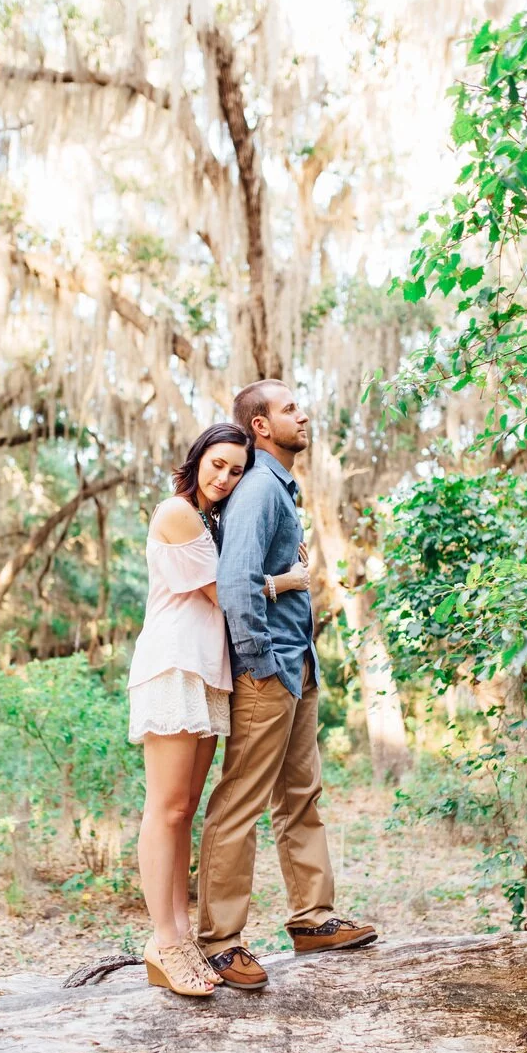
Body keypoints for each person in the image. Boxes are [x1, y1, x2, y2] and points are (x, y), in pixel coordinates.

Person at [197, 380, 377, 990]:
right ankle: (221, 943)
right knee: (240, 802)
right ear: (261, 427)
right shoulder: (256, 492)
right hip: (268, 670)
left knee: (301, 794)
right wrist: (258, 663)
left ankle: (314, 919)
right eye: (290, 408)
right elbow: (236, 582)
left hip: (297, 665)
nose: (304, 414)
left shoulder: (280, 489)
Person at [128, 423, 311, 997]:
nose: (225, 477)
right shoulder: (178, 512)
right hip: (174, 667)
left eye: (236, 470)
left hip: (209, 674)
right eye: (218, 464)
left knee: (185, 809)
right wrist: (289, 579)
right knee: (165, 808)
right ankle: (164, 939)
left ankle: (181, 936)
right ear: (198, 458)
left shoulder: (211, 519)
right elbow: (224, 591)